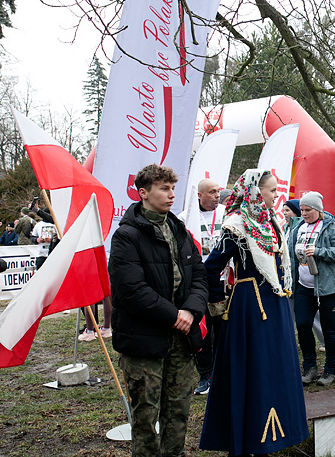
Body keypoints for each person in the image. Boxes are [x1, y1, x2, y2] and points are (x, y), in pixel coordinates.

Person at [200, 169, 309, 455]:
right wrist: (218, 303)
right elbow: (211, 267)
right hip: (252, 306)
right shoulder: (236, 225)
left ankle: (280, 432)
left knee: (277, 364)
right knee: (256, 366)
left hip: (276, 301)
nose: (277, 195)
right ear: (256, 192)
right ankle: (252, 433)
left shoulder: (271, 221)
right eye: (272, 190)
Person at [109, 164, 208, 456]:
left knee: (178, 413)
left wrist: (190, 310)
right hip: (144, 341)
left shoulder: (179, 230)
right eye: (164, 188)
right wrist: (174, 315)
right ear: (143, 192)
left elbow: (199, 276)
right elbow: (130, 291)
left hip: (182, 338)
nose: (171, 194)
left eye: (173, 188)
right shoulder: (127, 236)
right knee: (145, 418)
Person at [290, 191, 335, 386]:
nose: (304, 213)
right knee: (302, 325)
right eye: (301, 210)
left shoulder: (332, 226)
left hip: (328, 287)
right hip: (303, 286)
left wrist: (319, 252)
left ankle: (331, 368)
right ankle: (309, 367)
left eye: (308, 210)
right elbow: (292, 256)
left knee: (328, 330)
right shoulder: (298, 228)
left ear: (318, 210)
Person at [178, 178, 226, 395]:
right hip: (197, 282)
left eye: (218, 192)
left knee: (221, 327)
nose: (217, 195)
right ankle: (205, 373)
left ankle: (223, 370)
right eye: (212, 192)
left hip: (223, 281)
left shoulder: (226, 214)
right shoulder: (186, 218)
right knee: (202, 329)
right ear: (200, 195)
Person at [284, 198, 326, 351]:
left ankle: (325, 341)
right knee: (296, 316)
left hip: (309, 279)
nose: (285, 214)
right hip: (292, 278)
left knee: (313, 316)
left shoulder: (304, 227)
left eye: (288, 210)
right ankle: (289, 343)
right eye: (283, 211)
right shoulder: (285, 228)